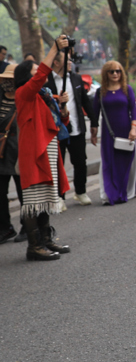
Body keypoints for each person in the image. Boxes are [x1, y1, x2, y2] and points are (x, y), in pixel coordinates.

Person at [13, 35, 73, 261]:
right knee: (32, 200)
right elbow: (41, 75)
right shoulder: (24, 94)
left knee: (47, 196)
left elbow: (61, 123)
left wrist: (63, 108)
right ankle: (34, 246)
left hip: (47, 151)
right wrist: (55, 48)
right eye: (36, 70)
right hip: (33, 154)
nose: (41, 72)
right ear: (26, 76)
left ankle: (45, 240)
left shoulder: (44, 96)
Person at [90, 61, 136, 204]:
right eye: (111, 71)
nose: (115, 74)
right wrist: (93, 133)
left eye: (118, 71)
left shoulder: (127, 89)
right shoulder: (100, 92)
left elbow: (134, 111)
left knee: (125, 162)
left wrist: (133, 129)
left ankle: (125, 191)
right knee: (108, 162)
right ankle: (108, 194)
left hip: (126, 130)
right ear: (106, 73)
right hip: (108, 133)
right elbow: (95, 114)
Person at [48, 56, 95, 205]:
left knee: (80, 162)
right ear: (56, 62)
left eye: (70, 60)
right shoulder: (47, 80)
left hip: (76, 127)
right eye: (66, 60)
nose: (70, 62)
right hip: (57, 130)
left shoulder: (76, 78)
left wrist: (94, 122)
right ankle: (59, 197)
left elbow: (85, 102)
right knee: (57, 164)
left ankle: (80, 192)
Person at [0, 62, 23, 243]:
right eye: (5, 80)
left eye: (11, 80)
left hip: (20, 151)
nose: (7, 83)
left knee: (24, 192)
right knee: (0, 193)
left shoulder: (25, 99)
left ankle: (28, 225)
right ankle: (5, 228)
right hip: (1, 153)